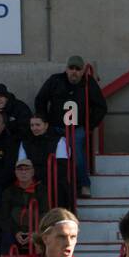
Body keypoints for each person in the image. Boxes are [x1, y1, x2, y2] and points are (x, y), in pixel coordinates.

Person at [34, 56, 107, 197]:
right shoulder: (55, 80)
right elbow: (40, 100)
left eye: (78, 69)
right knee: (51, 154)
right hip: (55, 127)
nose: (74, 72)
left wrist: (89, 126)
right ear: (66, 69)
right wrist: (45, 122)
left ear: (82, 71)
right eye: (71, 68)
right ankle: (53, 186)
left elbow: (101, 107)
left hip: (77, 128)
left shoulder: (88, 83)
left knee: (77, 151)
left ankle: (84, 184)